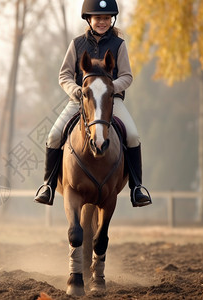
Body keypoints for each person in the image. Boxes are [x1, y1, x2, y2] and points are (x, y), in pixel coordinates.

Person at [34, 0, 152, 208]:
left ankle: (137, 188)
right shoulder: (77, 44)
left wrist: (109, 89)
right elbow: (65, 75)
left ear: (111, 20)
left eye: (106, 18)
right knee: (53, 135)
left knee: (133, 136)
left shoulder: (119, 45)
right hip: (81, 100)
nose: (102, 22)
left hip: (111, 101)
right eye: (98, 18)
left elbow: (127, 76)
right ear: (89, 19)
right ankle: (48, 185)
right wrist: (78, 91)